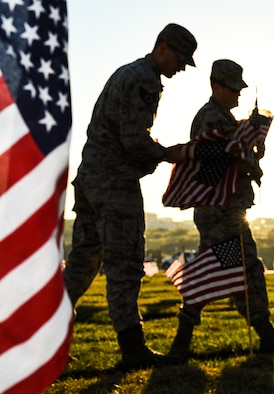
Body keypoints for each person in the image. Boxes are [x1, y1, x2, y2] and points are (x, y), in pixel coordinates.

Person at [63, 23, 198, 369]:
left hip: (91, 180)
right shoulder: (145, 80)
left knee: (82, 262)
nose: (182, 67)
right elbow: (133, 140)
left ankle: (42, 337)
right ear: (163, 48)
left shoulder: (128, 72)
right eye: (181, 58)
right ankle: (132, 349)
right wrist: (171, 153)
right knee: (124, 264)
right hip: (114, 185)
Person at [169, 59, 274, 357]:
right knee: (231, 268)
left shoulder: (224, 117)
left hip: (227, 209)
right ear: (216, 86)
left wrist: (253, 150)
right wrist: (249, 157)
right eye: (233, 89)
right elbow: (219, 156)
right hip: (218, 211)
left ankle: (263, 334)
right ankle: (186, 341)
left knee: (237, 269)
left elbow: (234, 152)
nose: (238, 94)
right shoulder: (212, 117)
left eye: (240, 89)